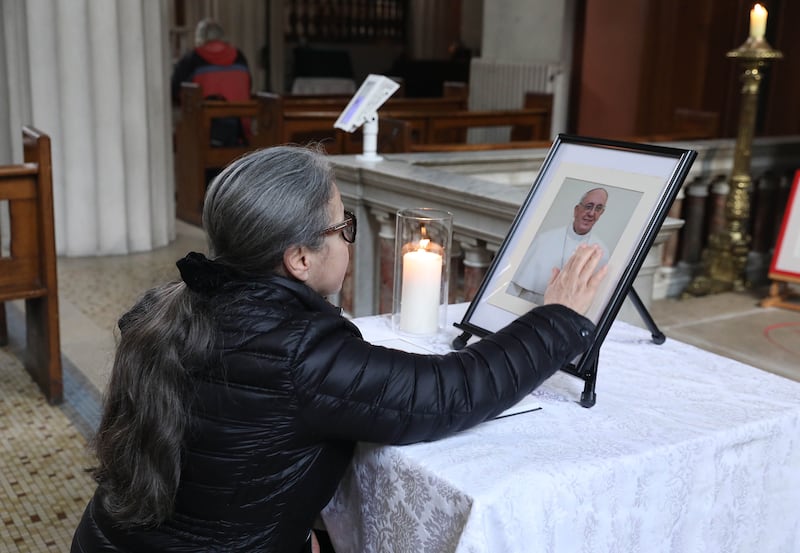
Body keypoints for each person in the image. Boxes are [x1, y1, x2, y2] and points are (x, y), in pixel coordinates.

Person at [70, 145, 607, 553]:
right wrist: (558, 320)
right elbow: (451, 392)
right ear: (300, 259)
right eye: (343, 226)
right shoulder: (298, 350)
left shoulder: (168, 303)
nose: (350, 239)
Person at [508, 187, 611, 304]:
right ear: (576, 210)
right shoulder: (544, 239)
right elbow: (513, 289)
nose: (592, 213)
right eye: (588, 206)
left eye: (598, 209)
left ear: (601, 213)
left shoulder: (602, 252)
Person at [171, 18, 252, 147]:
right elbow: (248, 88)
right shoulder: (240, 57)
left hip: (203, 133)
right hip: (240, 132)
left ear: (200, 38)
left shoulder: (191, 59)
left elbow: (175, 92)